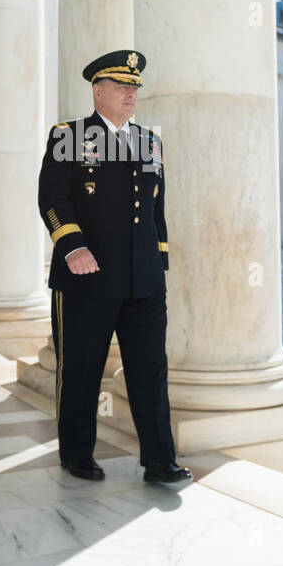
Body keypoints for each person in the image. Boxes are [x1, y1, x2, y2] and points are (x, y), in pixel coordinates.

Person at [36, 49, 190, 485]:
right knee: (82, 369)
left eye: (135, 87)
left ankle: (160, 461)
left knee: (150, 372)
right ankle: (77, 453)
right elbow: (52, 197)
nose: (131, 94)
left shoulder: (150, 141)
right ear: (97, 90)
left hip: (142, 282)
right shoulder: (68, 136)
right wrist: (72, 246)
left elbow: (156, 210)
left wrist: (157, 263)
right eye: (122, 87)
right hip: (87, 278)